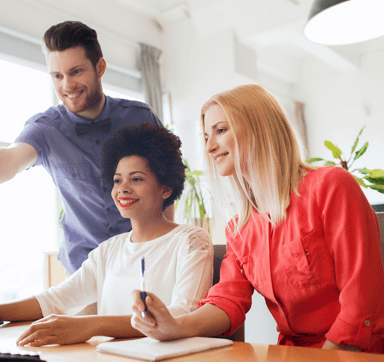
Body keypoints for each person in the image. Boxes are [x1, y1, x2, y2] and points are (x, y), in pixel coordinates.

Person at [130, 84, 384, 353]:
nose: (210, 147)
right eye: (206, 137)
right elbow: (228, 301)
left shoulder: (331, 186)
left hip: (354, 352)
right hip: (291, 354)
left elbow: (361, 304)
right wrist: (175, 325)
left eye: (221, 130)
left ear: (259, 127)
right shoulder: (239, 229)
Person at [0, 21, 171, 275]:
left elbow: (167, 182)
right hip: (85, 271)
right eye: (57, 75)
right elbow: (8, 159)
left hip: (145, 260)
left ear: (99, 67)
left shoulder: (141, 117)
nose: (67, 85)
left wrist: (167, 240)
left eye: (76, 71)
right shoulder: (46, 128)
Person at [0, 123, 213, 347]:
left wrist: (89, 326)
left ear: (166, 187)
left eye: (137, 179)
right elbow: (55, 300)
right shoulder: (109, 250)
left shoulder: (191, 241)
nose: (123, 188)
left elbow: (179, 317)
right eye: (118, 179)